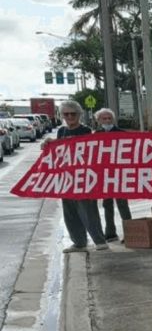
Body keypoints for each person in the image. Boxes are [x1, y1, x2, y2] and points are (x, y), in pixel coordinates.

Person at [45, 100, 108, 253]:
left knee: (88, 210)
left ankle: (100, 240)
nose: (70, 117)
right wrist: (50, 143)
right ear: (62, 116)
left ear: (79, 115)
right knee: (70, 213)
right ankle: (79, 242)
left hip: (84, 179)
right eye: (66, 114)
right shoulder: (61, 131)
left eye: (73, 114)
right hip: (66, 179)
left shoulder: (86, 130)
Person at [94, 108, 133, 241]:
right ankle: (110, 233)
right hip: (104, 175)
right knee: (107, 204)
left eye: (109, 118)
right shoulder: (95, 135)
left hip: (119, 174)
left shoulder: (122, 134)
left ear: (113, 119)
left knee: (122, 203)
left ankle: (129, 232)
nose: (107, 121)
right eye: (104, 118)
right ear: (98, 120)